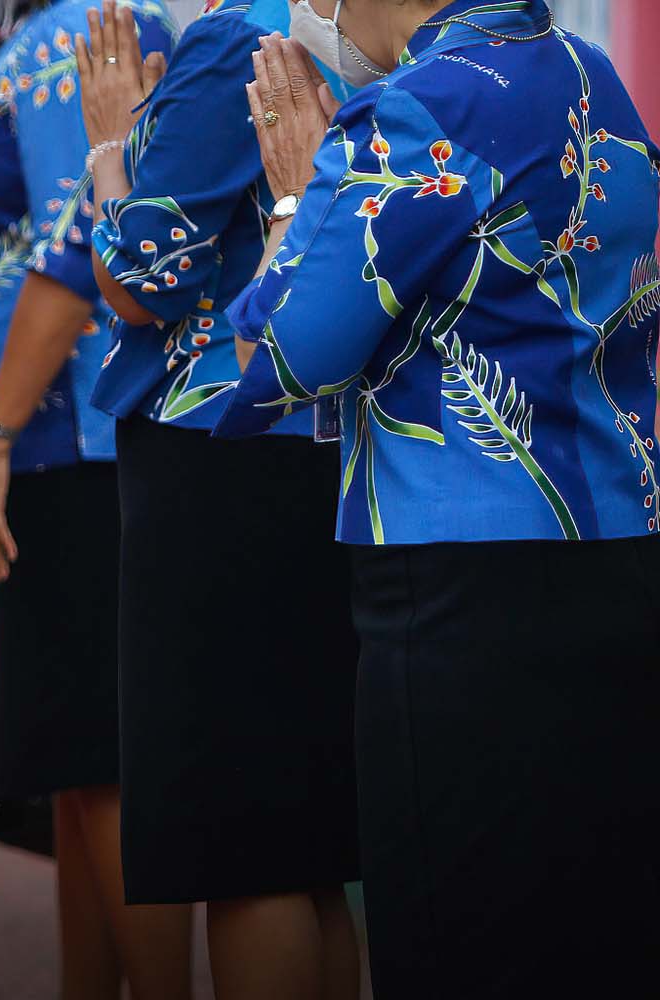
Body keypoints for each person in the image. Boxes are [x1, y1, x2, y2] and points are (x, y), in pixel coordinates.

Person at [218, 5, 660, 996]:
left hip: (458, 586)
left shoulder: (413, 111)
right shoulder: (593, 77)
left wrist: (296, 199)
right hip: (618, 556)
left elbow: (278, 357)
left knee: (453, 933)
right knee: (600, 934)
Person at [75, 2, 361, 997]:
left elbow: (136, 278)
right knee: (306, 840)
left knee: (246, 850)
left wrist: (109, 140)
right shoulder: (362, 29)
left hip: (216, 447)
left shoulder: (234, 35)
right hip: (318, 440)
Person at [0, 3, 192, 1000]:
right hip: (83, 436)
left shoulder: (81, 33)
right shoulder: (77, 28)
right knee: (90, 771)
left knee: (107, 770)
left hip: (72, 434)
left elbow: (75, 242)